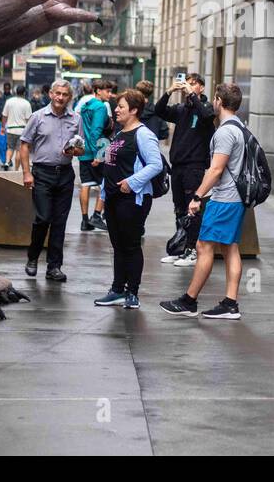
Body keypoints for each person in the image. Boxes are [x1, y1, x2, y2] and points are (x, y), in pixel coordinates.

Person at [159, 83, 248, 320]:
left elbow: (216, 169)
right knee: (230, 248)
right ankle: (230, 303)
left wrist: (198, 196)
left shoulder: (226, 131)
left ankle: (189, 300)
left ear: (218, 100)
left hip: (224, 198)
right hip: (234, 198)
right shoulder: (239, 126)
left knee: (203, 247)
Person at [92, 89, 163, 310]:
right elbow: (111, 166)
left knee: (131, 245)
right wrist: (104, 194)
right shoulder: (120, 133)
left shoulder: (143, 134)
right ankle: (117, 290)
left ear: (134, 110)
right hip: (113, 198)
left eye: (121, 107)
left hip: (133, 199)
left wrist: (131, 182)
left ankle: (132, 292)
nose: (116, 110)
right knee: (118, 245)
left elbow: (156, 164)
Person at [17, 80, 83, 281]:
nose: (60, 97)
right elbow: (24, 145)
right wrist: (27, 173)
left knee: (59, 223)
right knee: (43, 218)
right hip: (42, 173)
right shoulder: (38, 117)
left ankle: (54, 267)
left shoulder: (76, 119)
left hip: (65, 174)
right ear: (51, 94)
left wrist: (75, 150)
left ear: (69, 97)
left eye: (65, 94)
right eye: (57, 93)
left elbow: (81, 148)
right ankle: (33, 257)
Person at [154, 72, 215, 267]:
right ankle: (180, 247)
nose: (188, 87)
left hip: (194, 167)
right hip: (178, 167)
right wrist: (170, 91)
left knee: (192, 209)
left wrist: (192, 95)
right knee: (179, 209)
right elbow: (159, 110)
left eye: (194, 84)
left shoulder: (205, 107)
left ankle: (192, 250)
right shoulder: (181, 109)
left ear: (201, 87)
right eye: (186, 84)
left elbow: (206, 116)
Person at [76, 79, 115, 230]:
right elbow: (95, 131)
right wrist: (98, 155)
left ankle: (85, 221)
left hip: (84, 150)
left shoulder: (87, 106)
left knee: (85, 184)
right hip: (96, 150)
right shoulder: (100, 107)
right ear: (98, 91)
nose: (110, 95)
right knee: (106, 184)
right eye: (107, 91)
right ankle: (97, 216)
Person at [2, 84, 32, 170]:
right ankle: (16, 169)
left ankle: (7, 162)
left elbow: (4, 115)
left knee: (10, 148)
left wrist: (3, 127)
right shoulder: (26, 103)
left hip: (10, 129)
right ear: (24, 93)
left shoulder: (9, 101)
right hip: (22, 130)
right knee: (19, 150)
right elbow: (28, 119)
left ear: (16, 92)